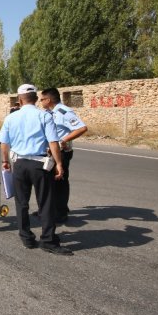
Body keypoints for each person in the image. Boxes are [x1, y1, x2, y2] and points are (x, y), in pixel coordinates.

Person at [0, 84, 72, 255]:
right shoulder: (44, 116)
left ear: (19, 99)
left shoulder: (11, 118)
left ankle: (26, 237)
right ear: (36, 98)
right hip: (40, 164)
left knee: (21, 203)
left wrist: (5, 161)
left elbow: (4, 144)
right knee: (45, 202)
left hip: (20, 164)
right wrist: (59, 164)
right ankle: (47, 240)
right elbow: (53, 142)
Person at [40, 87, 88, 223]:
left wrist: (64, 140)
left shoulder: (63, 112)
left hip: (61, 152)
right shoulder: (48, 112)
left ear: (48, 100)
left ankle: (60, 213)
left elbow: (82, 128)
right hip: (50, 151)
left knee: (59, 181)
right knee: (50, 182)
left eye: (42, 99)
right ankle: (52, 209)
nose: (40, 101)